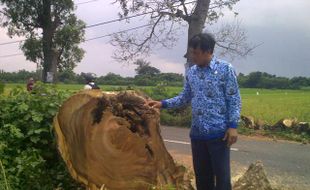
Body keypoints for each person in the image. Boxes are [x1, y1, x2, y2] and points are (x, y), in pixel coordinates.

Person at [147, 33, 241, 190]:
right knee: (202, 177)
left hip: (219, 134)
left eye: (196, 53)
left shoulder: (225, 69)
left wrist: (233, 126)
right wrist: (162, 104)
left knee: (222, 178)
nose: (193, 56)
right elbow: (185, 97)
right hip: (197, 134)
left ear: (208, 51)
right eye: (192, 52)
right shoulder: (192, 72)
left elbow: (234, 98)